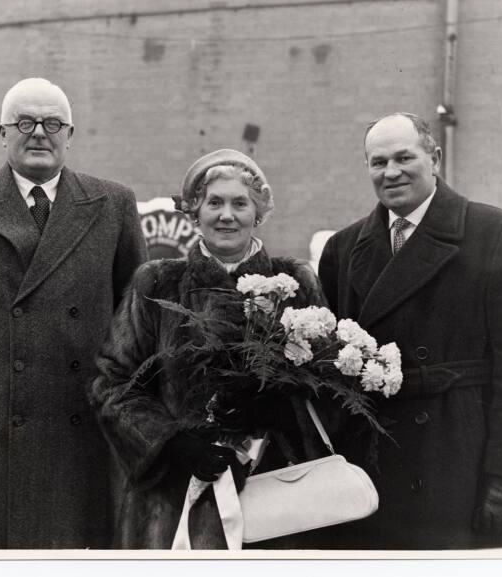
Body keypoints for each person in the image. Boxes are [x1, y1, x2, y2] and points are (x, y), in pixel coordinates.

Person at [0, 77, 147, 549]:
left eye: (52, 123)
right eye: (25, 122)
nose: (39, 132)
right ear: (3, 132)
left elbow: (133, 310)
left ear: (70, 133)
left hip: (80, 409)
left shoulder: (114, 203)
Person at [318, 112, 502, 549]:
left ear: (435, 159)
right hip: (368, 471)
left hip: (460, 464)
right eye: (378, 162)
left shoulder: (498, 235)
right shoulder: (343, 249)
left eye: (404, 157)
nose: (390, 172)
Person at [90, 149, 335, 549]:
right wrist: (169, 443)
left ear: (258, 213)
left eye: (240, 203)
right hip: (174, 498)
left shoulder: (295, 281)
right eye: (214, 202)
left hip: (273, 491)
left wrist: (280, 409)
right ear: (194, 212)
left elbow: (328, 379)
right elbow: (113, 381)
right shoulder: (156, 283)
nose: (227, 215)